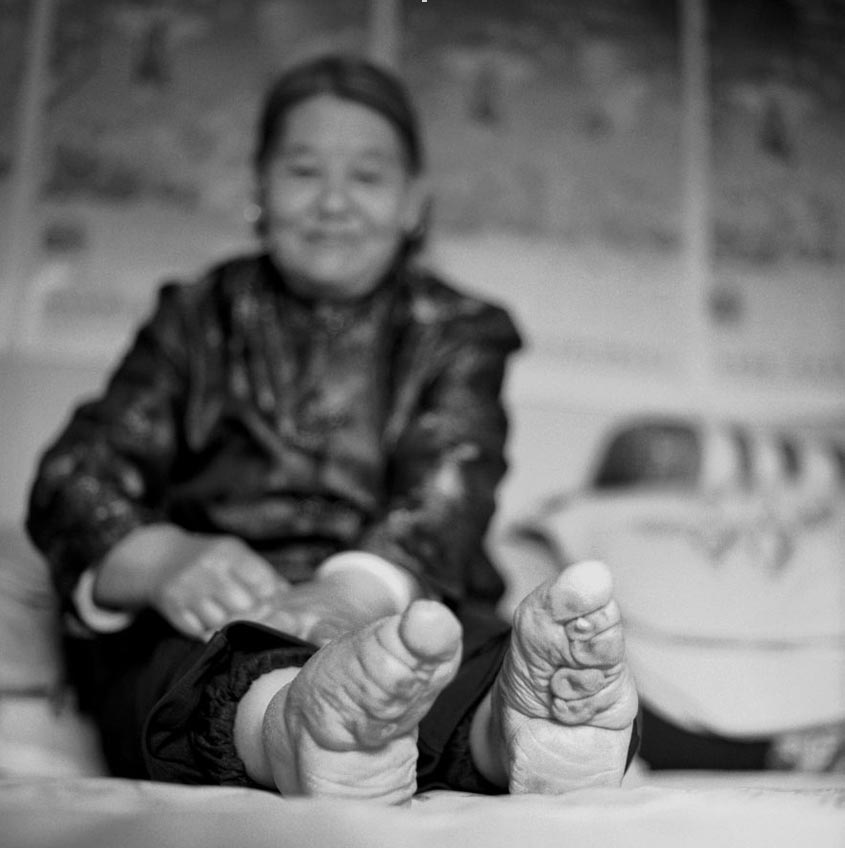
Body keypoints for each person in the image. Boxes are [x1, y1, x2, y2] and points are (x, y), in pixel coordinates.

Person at [26, 54, 638, 802]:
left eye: (368, 177)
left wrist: (350, 595)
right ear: (259, 188)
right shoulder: (194, 317)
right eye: (304, 171)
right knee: (190, 665)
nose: (333, 202)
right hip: (226, 605)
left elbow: (446, 493)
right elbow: (75, 473)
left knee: (451, 649)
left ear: (414, 203)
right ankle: (295, 728)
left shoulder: (458, 331)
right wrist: (160, 558)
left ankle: (519, 732)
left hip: (400, 594)